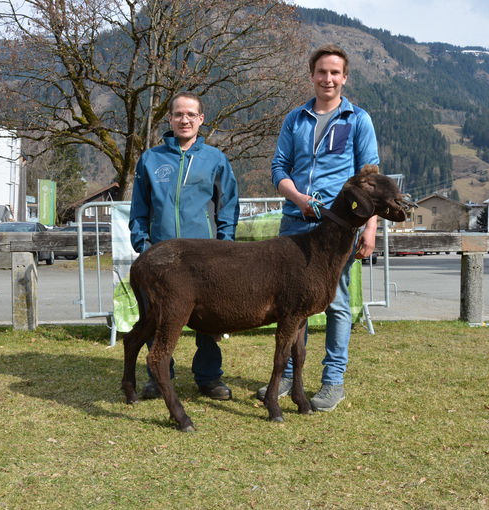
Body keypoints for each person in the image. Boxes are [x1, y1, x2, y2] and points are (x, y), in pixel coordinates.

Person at [256, 43, 380, 412]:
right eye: (321, 72)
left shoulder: (357, 119)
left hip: (338, 229)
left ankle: (332, 381)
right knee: (293, 303)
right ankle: (291, 376)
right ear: (311, 75)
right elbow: (279, 168)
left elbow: (369, 179)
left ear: (345, 78)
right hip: (295, 222)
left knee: (337, 303)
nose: (328, 78)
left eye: (335, 72)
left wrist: (369, 229)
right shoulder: (295, 119)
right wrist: (297, 198)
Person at [129, 91, 240, 401]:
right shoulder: (150, 159)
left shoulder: (216, 159)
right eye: (179, 114)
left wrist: (225, 248)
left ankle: (209, 377)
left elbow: (228, 206)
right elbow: (139, 208)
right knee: (157, 319)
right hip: (162, 258)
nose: (185, 119)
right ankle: (159, 376)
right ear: (170, 119)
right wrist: (143, 244)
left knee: (208, 318)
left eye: (191, 114)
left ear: (201, 119)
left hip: (206, 259)